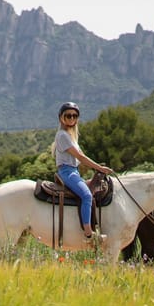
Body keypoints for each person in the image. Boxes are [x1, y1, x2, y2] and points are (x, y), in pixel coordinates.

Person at [53, 102, 113, 238]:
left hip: (74, 172)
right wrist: (100, 168)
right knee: (86, 196)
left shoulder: (71, 137)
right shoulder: (62, 135)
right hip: (67, 172)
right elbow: (81, 157)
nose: (72, 118)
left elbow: (81, 159)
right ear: (61, 117)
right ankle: (88, 232)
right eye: (68, 115)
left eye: (75, 116)